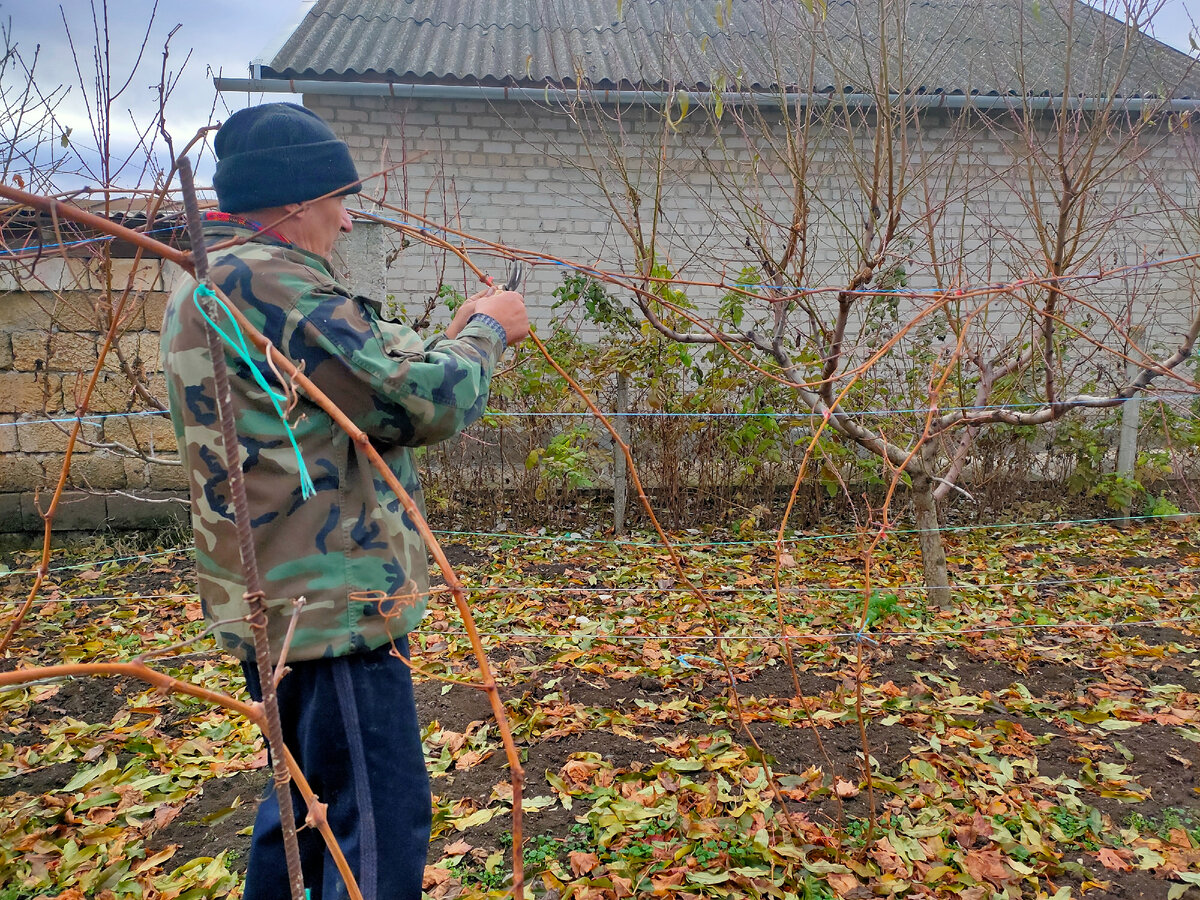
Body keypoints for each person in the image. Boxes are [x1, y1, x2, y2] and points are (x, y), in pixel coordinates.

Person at [160, 102, 528, 900]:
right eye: (339, 199)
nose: (349, 220)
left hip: (279, 600)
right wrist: (489, 333)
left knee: (303, 812)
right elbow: (420, 401)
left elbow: (357, 381)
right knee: (376, 819)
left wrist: (449, 331)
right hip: (333, 608)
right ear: (296, 202)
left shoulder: (214, 285)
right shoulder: (273, 283)